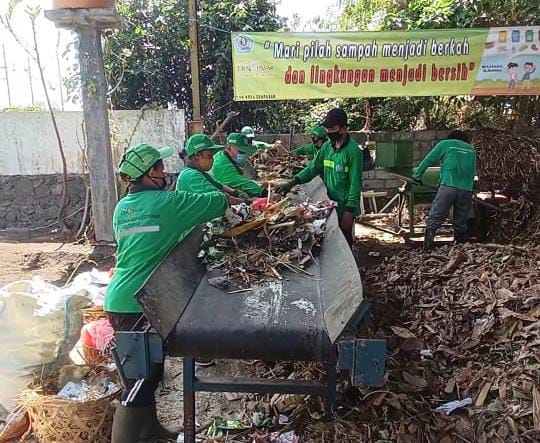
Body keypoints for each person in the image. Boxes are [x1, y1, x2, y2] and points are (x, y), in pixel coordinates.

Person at [104, 143, 232, 443]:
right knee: (140, 383)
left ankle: (150, 430)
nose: (165, 171)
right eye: (160, 167)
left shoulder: (123, 207)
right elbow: (216, 203)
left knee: (150, 372)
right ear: (150, 173)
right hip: (138, 303)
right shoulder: (167, 204)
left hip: (120, 298)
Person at [276, 108, 363, 246]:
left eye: (332, 128)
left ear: (344, 128)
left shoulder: (353, 152)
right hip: (328, 202)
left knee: (344, 241)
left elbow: (355, 183)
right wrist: (293, 182)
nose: (329, 132)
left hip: (344, 206)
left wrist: (350, 210)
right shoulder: (327, 147)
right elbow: (313, 168)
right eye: (327, 128)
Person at [412, 130, 477, 251]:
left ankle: (428, 246)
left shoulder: (445, 144)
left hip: (448, 186)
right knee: (461, 219)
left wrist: (417, 176)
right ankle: (459, 247)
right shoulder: (471, 149)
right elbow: (473, 171)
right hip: (466, 189)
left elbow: (428, 160)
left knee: (437, 214)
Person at [175, 133, 246, 204]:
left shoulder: (200, 172)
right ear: (197, 155)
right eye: (209, 156)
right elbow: (218, 197)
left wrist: (235, 192)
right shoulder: (191, 175)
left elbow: (218, 185)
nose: (212, 159)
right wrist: (246, 202)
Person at [210, 132, 269, 198]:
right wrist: (265, 193)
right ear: (229, 147)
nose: (243, 155)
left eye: (244, 152)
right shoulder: (222, 164)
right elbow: (241, 183)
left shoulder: (223, 155)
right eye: (240, 152)